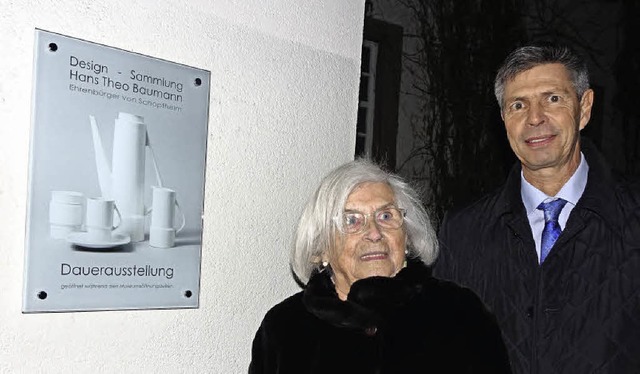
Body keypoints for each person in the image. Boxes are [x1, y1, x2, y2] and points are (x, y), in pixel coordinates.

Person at [435, 42, 640, 374]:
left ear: (584, 107)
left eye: (553, 98)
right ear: (503, 119)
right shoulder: (462, 230)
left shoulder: (632, 217)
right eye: (518, 105)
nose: (534, 118)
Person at [249, 159, 511, 374]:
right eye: (351, 221)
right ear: (321, 247)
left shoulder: (459, 313)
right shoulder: (284, 329)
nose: (374, 233)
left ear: (407, 237)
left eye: (386, 216)